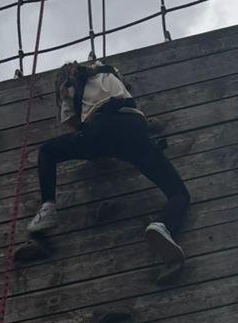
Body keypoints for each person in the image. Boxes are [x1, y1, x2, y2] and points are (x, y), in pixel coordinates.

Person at [18, 56, 190, 284]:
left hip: (100, 130)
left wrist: (92, 147)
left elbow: (75, 124)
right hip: (133, 128)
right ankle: (162, 225)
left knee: (48, 151)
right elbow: (123, 86)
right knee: (178, 193)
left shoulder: (67, 87)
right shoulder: (106, 71)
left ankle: (48, 207)